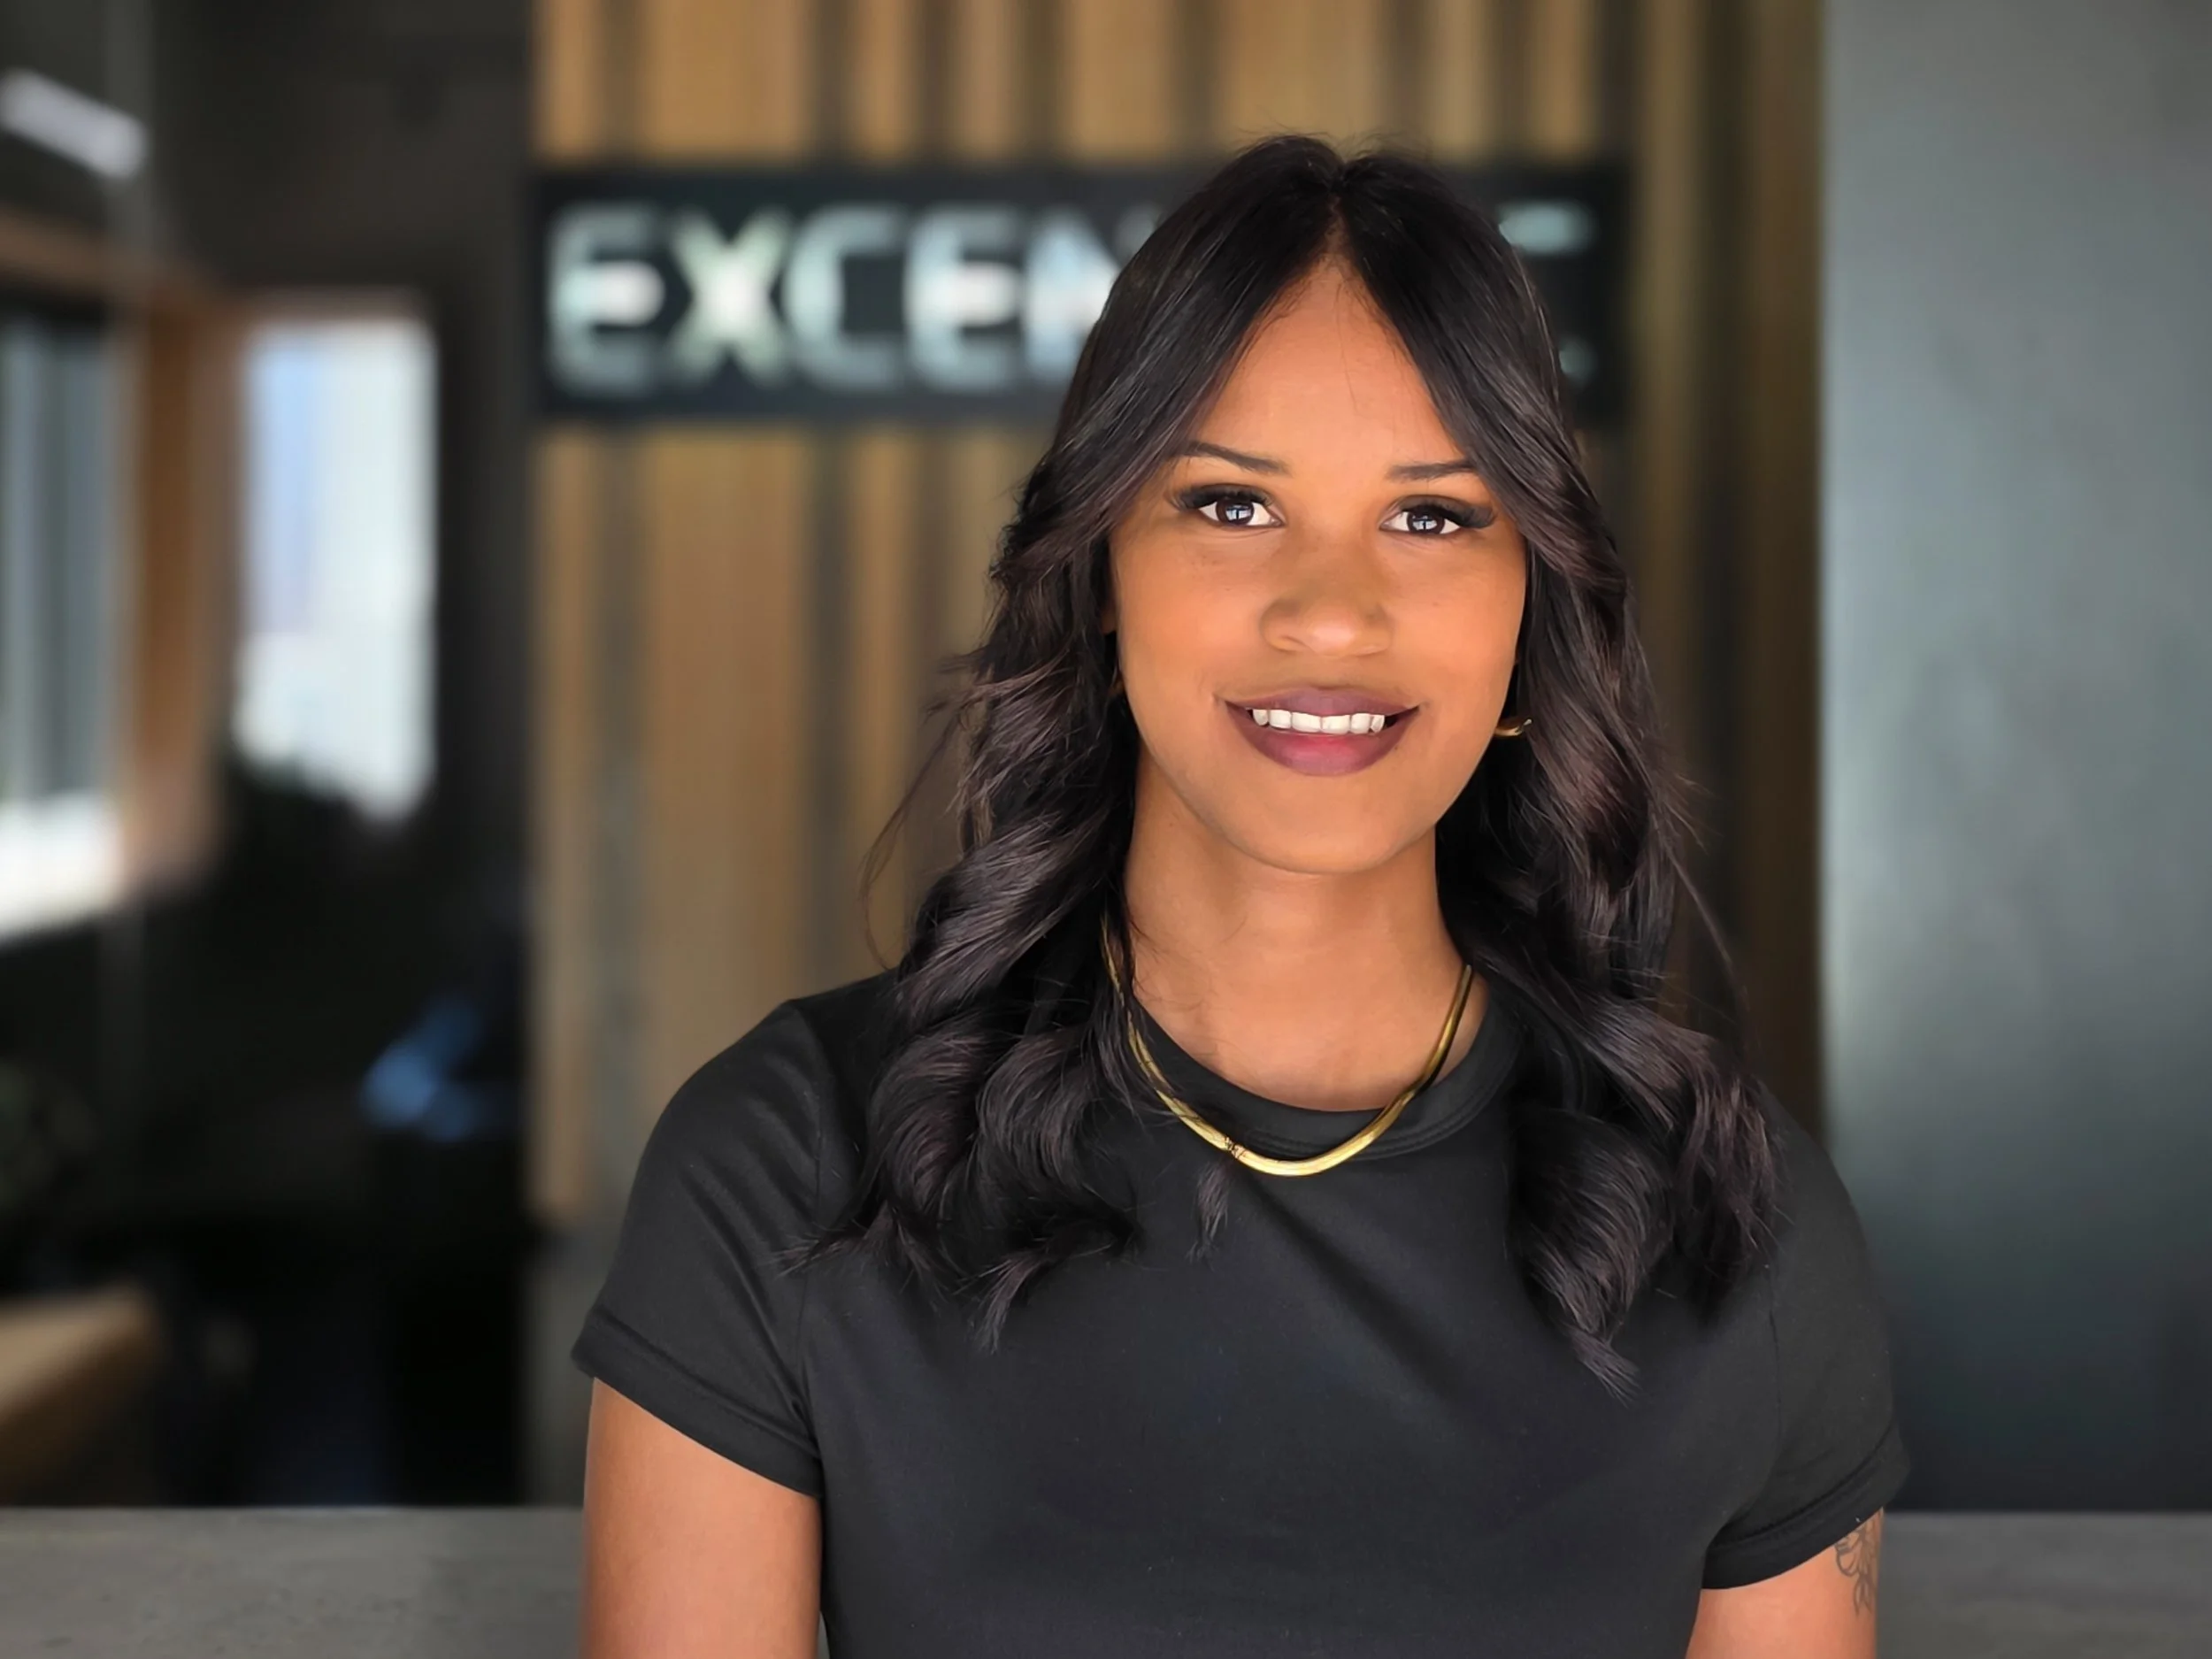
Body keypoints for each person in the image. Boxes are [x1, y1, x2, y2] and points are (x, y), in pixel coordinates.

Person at [573, 135, 1907, 1659]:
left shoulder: (1736, 1226)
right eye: (1229, 504)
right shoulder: (788, 1166)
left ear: (1533, 622)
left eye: (1433, 516)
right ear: (1099, 580)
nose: (1331, 609)